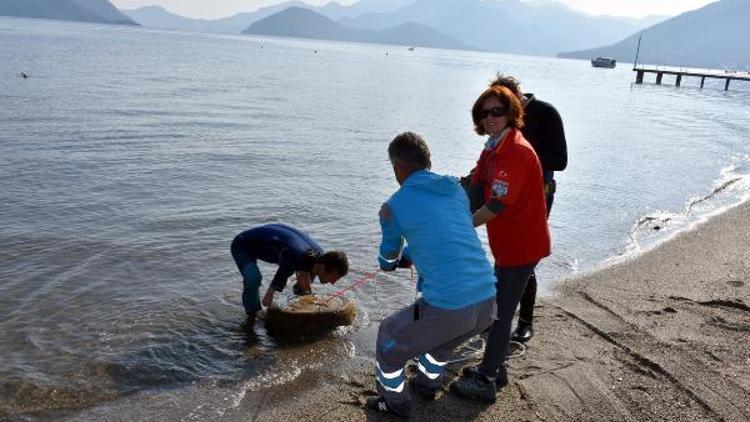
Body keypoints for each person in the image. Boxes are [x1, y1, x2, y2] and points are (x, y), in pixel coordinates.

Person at [366, 132, 497, 417]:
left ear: (397, 167)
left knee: (388, 337)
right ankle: (427, 384)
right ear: (428, 161)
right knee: (440, 343)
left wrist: (391, 262)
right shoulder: (454, 188)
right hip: (488, 301)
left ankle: (394, 403)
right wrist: (413, 255)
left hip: (450, 306)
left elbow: (388, 257)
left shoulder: (393, 207)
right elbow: (444, 233)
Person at [451, 85, 551, 403]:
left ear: (511, 113)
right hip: (506, 244)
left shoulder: (517, 153)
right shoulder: (492, 149)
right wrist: (449, 205)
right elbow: (477, 185)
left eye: (497, 111)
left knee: (498, 313)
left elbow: (496, 206)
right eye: (484, 113)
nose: (491, 118)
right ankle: (498, 366)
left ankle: (487, 378)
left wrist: (458, 230)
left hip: (522, 246)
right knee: (494, 308)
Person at [490, 74, 568, 343]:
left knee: (525, 260)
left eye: (503, 107)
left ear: (517, 97)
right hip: (506, 194)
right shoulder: (500, 121)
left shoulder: (546, 113)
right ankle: (497, 318)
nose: (497, 114)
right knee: (502, 256)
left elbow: (561, 160)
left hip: (539, 194)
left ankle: (524, 322)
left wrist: (524, 155)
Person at [230, 224, 348, 316]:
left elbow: (303, 274)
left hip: (274, 241)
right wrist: (269, 296)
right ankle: (252, 314)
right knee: (253, 278)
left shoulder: (319, 257)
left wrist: (308, 296)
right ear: (323, 268)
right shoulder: (296, 257)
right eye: (333, 277)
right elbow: (272, 291)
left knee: (303, 288)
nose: (333, 282)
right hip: (243, 244)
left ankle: (298, 300)